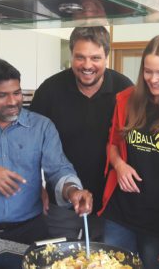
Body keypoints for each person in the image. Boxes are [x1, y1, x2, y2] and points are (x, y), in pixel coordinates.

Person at [0, 57, 93, 245]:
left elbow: (59, 170)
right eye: (2, 95)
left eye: (17, 93)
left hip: (30, 231)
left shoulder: (41, 127)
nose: (13, 101)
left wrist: (73, 191)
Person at [98, 34, 159, 269]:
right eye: (147, 71)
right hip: (120, 214)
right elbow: (112, 144)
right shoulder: (125, 100)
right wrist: (119, 165)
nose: (153, 79)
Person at [29, 26, 132, 240]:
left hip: (113, 208)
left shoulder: (125, 90)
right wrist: (36, 186)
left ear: (106, 57)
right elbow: (30, 144)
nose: (87, 65)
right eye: (80, 57)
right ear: (71, 55)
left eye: (95, 58)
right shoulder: (50, 90)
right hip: (61, 206)